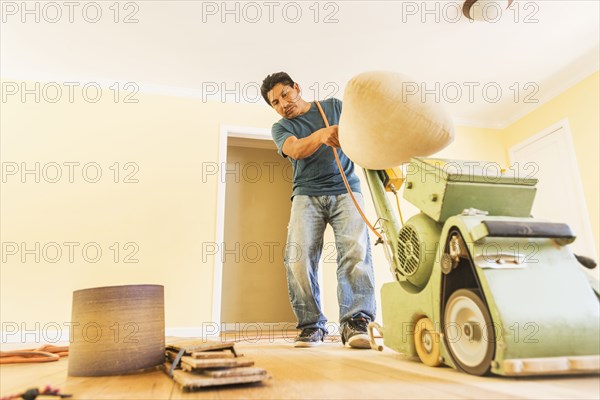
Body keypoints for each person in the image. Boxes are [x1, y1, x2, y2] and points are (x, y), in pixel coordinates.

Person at [260, 72, 376, 348]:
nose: (282, 104)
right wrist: (322, 134)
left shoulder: (334, 107)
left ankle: (356, 323)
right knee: (298, 260)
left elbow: (363, 131)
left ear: (297, 88)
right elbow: (296, 149)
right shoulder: (281, 129)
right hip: (306, 195)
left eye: (285, 95)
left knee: (355, 252)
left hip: (346, 189)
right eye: (275, 102)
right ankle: (311, 326)